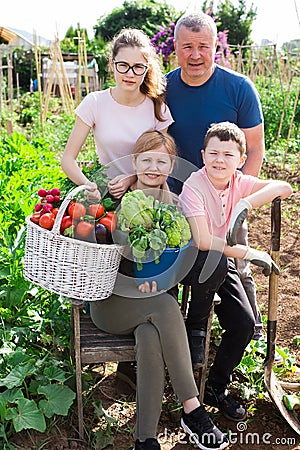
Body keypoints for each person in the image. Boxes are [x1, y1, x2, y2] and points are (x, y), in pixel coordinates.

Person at [88, 131, 229, 450]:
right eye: (146, 160)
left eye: (161, 161)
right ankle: (193, 410)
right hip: (111, 305)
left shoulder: (176, 207)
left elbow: (178, 266)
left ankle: (145, 439)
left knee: (151, 336)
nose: (153, 167)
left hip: (148, 307)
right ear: (135, 163)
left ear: (170, 165)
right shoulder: (116, 201)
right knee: (165, 306)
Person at [178, 121, 293, 422]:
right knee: (214, 256)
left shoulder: (238, 182)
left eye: (228, 155)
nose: (220, 160)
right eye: (214, 153)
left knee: (244, 323)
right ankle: (196, 324)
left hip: (221, 262)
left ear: (241, 160)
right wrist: (249, 252)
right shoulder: (193, 186)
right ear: (203, 155)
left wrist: (245, 201)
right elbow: (203, 241)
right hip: (191, 262)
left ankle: (216, 387)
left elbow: (285, 187)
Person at [165, 12, 265, 342]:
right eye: (187, 46)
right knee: (176, 269)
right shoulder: (164, 89)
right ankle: (174, 335)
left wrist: (239, 203)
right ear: (175, 48)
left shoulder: (238, 88)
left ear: (215, 48)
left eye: (203, 46)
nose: (195, 55)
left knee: (236, 265)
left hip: (226, 200)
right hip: (178, 201)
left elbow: (254, 149)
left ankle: (250, 336)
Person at [61, 27, 174, 201]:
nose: (130, 74)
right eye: (123, 65)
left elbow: (158, 164)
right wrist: (89, 186)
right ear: (112, 64)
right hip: (104, 195)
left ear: (146, 69)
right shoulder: (95, 103)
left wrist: (130, 179)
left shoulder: (158, 110)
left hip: (145, 197)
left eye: (138, 67)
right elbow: (68, 160)